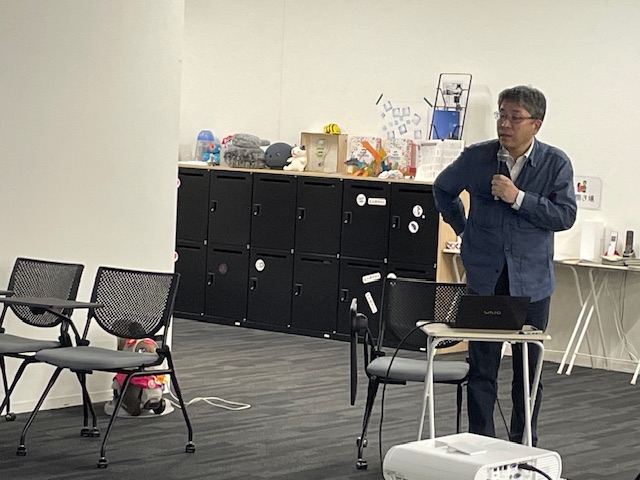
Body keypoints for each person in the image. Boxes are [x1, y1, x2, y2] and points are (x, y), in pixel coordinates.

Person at [433, 85, 577, 445]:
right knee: (482, 370)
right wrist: (463, 228)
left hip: (531, 284)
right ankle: (480, 443)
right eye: (502, 114)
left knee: (528, 374)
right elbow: (443, 189)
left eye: (515, 117)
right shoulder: (477, 157)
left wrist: (519, 198)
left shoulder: (555, 163)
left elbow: (565, 216)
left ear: (536, 125)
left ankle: (523, 445)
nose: (505, 124)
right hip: (485, 280)